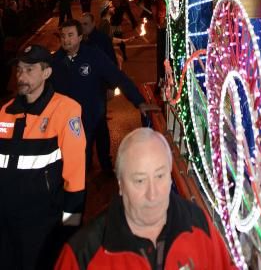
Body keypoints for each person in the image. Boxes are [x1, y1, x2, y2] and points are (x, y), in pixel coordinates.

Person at [55, 127, 234, 269]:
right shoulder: (82, 254)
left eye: (160, 176)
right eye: (140, 180)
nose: (153, 194)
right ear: (120, 184)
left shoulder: (199, 224)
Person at [0, 44, 86, 270]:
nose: (21, 76)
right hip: (5, 224)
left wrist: (70, 229)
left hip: (42, 226)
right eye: (19, 70)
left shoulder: (66, 110)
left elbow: (75, 178)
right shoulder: (5, 112)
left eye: (29, 70)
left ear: (46, 73)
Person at [52, 20, 153, 171]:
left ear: (80, 37)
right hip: (69, 124)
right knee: (77, 166)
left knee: (100, 142)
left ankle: (105, 168)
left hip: (93, 116)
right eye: (63, 36)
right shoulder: (55, 61)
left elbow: (118, 77)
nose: (66, 40)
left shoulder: (93, 55)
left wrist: (139, 102)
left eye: (70, 35)